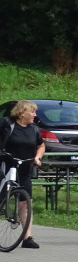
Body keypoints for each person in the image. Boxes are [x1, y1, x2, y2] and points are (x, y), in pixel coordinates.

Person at [0, 100, 44, 249]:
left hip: (24, 168)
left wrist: (37, 157)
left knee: (25, 203)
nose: (35, 115)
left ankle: (27, 238)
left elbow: (41, 145)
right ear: (22, 112)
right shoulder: (6, 124)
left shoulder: (34, 129)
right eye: (32, 112)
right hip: (5, 166)